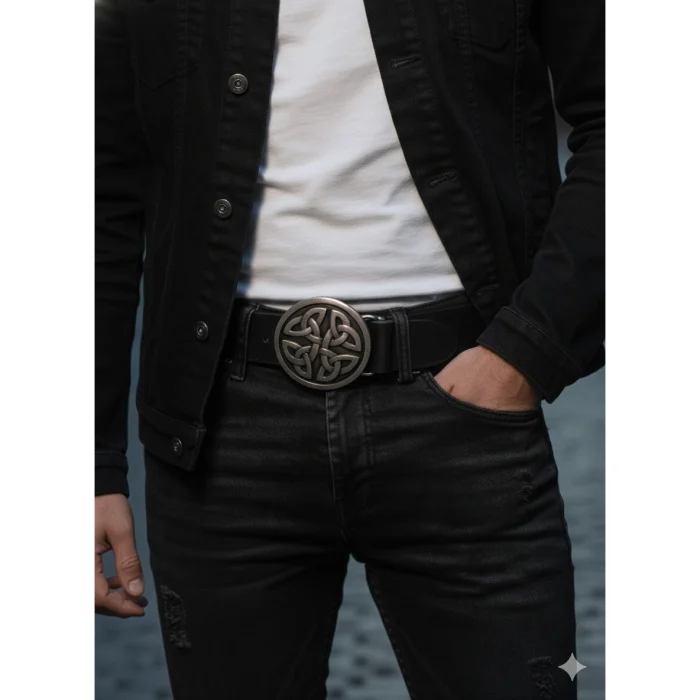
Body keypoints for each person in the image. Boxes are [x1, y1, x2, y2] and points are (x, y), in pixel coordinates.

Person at [95, 0, 604, 697]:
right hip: (218, 434)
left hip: (466, 416)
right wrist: (89, 463)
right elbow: (99, 190)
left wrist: (521, 355)